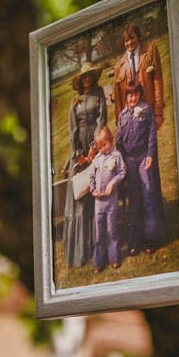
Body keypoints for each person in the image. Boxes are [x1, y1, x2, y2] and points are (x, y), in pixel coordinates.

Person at [62, 61, 107, 268]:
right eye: (84, 77)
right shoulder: (74, 101)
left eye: (90, 76)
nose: (87, 80)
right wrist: (79, 154)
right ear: (80, 81)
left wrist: (94, 148)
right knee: (80, 195)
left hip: (95, 146)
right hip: (79, 150)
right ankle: (80, 250)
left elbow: (101, 121)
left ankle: (97, 245)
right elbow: (72, 129)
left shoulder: (99, 95)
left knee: (94, 194)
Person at [116, 83, 164, 255]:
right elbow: (119, 142)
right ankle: (136, 241)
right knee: (134, 200)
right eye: (130, 95)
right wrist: (121, 162)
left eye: (136, 94)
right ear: (125, 96)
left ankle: (151, 239)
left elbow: (152, 133)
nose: (133, 98)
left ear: (140, 95)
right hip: (129, 161)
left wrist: (150, 154)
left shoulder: (146, 110)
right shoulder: (122, 115)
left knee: (148, 195)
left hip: (144, 158)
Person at [88, 126, 126, 273]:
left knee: (111, 230)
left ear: (110, 140)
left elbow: (122, 172)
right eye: (100, 147)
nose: (103, 148)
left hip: (111, 201)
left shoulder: (116, 156)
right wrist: (93, 190)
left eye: (105, 144)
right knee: (99, 232)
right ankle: (98, 261)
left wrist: (112, 183)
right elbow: (91, 176)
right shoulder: (97, 159)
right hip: (99, 202)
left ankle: (114, 258)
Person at [113, 22, 164, 130]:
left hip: (149, 111)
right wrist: (120, 123)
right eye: (126, 40)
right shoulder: (119, 65)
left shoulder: (150, 52)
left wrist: (158, 112)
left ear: (138, 37)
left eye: (132, 38)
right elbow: (118, 98)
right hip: (131, 118)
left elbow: (158, 81)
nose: (130, 42)